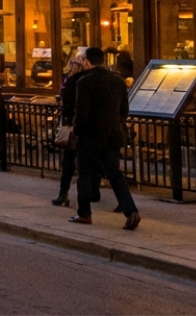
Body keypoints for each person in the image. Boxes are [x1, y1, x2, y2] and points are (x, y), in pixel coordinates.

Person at [71, 46, 141, 230]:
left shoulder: (84, 82)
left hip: (90, 136)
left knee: (85, 174)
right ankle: (131, 211)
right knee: (115, 174)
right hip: (112, 134)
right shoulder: (118, 81)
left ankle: (84, 213)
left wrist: (76, 131)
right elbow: (124, 111)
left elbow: (81, 113)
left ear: (87, 62)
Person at [52, 51, 88, 207]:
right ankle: (64, 193)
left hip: (74, 126)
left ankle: (64, 194)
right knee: (77, 161)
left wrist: (67, 122)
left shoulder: (71, 81)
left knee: (70, 161)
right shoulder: (77, 80)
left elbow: (67, 104)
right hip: (80, 125)